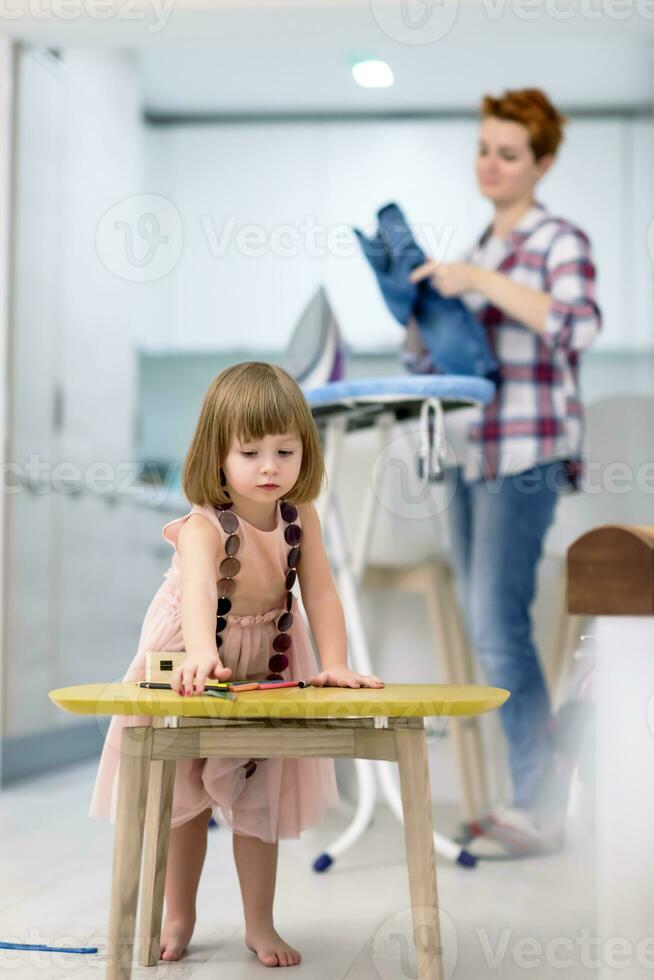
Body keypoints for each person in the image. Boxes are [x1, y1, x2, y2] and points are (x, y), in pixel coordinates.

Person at [89, 362, 384, 965]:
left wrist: (335, 663)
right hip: (190, 654)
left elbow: (321, 594)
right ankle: (179, 915)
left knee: (259, 794)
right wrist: (201, 652)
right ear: (217, 456)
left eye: (285, 450)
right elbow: (198, 591)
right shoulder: (203, 525)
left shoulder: (302, 519)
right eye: (250, 453)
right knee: (183, 793)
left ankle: (259, 923)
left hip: (267, 658)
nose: (270, 467)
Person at [409, 88, 602, 858]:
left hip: (527, 456)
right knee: (488, 628)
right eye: (484, 148)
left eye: (509, 153)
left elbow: (577, 324)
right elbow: (443, 360)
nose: (490, 164)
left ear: (542, 162)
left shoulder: (558, 240)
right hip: (468, 453)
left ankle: (540, 805)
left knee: (498, 625)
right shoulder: (479, 250)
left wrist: (480, 285)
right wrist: (420, 314)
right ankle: (528, 797)